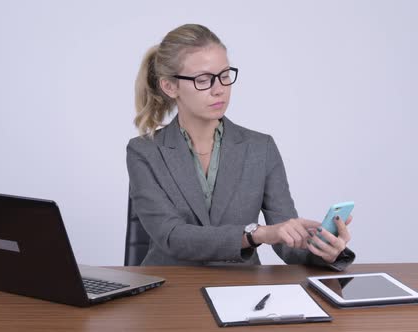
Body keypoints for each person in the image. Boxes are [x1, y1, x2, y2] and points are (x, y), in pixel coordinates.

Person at [127, 24, 355, 269]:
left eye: (225, 76)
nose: (219, 89)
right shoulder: (144, 151)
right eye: (204, 80)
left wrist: (324, 251)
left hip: (241, 290)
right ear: (170, 86)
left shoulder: (260, 148)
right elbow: (171, 236)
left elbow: (285, 240)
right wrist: (255, 234)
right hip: (170, 290)